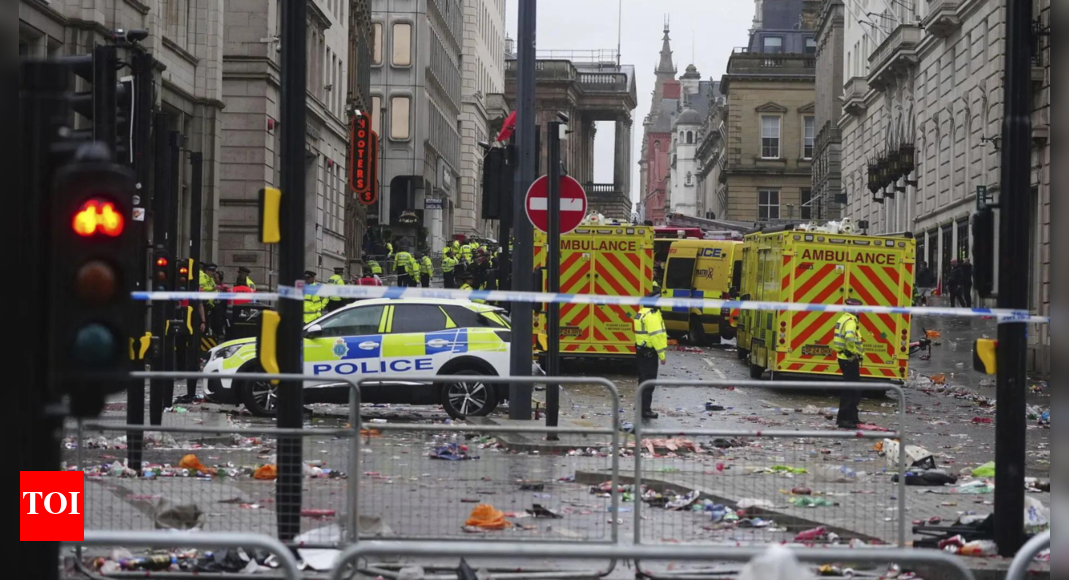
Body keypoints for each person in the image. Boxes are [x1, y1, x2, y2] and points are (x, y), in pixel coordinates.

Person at [633, 291, 668, 420]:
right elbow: (656, 336)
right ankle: (645, 410)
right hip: (649, 352)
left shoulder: (642, 312)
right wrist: (662, 354)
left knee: (642, 380)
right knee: (649, 381)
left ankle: (640, 406)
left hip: (641, 351)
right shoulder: (652, 315)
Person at [831, 298, 865, 429]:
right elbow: (850, 337)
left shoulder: (843, 319)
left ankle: (852, 417)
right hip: (849, 358)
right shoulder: (850, 322)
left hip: (844, 358)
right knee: (850, 390)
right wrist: (854, 352)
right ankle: (844, 419)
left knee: (854, 389)